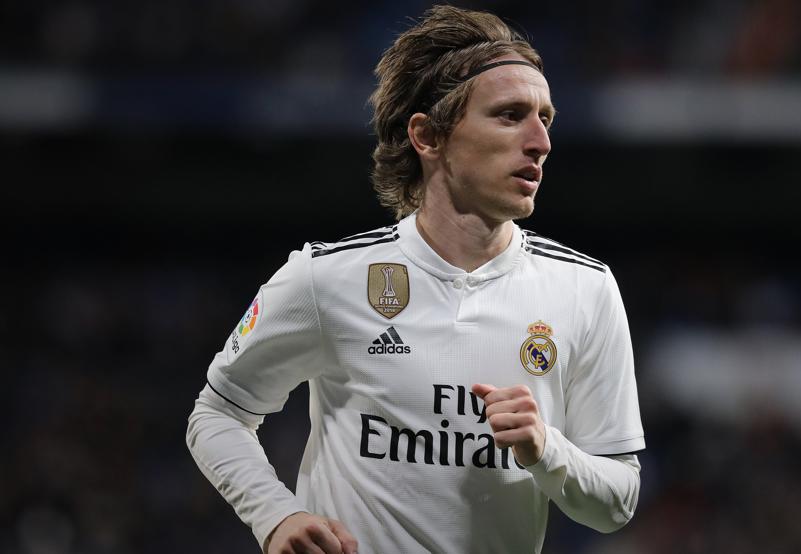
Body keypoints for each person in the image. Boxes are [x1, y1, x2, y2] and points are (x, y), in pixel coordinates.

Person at [186, 5, 644, 553]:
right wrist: (275, 515)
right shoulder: (326, 278)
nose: (540, 142)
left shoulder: (585, 290)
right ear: (428, 137)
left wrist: (547, 449)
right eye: (509, 114)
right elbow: (217, 413)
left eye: (545, 118)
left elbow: (618, 501)